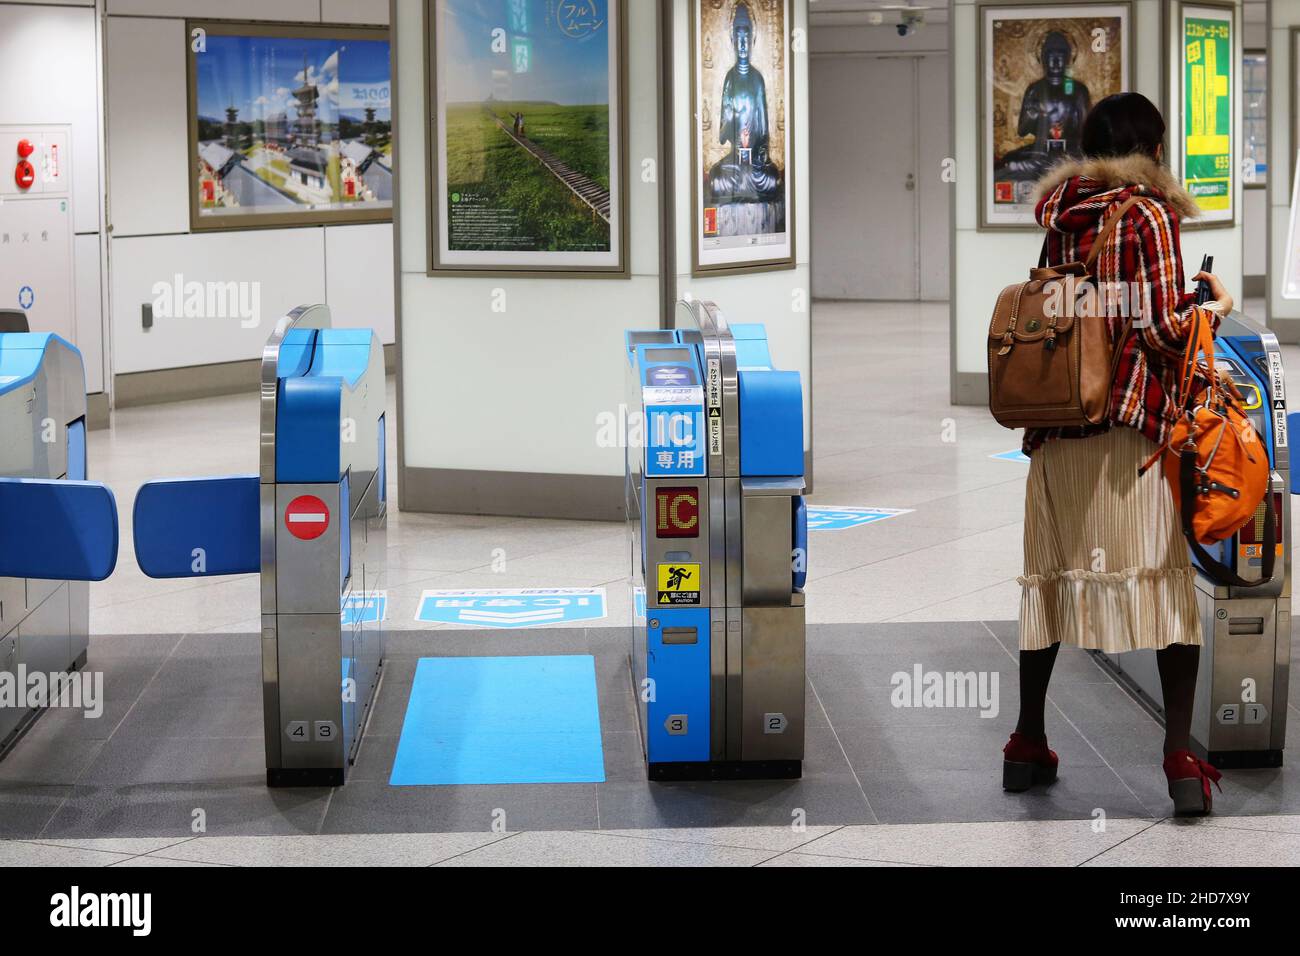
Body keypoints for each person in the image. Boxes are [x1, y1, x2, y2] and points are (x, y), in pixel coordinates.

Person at [1005, 92, 1231, 816]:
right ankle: (1179, 763)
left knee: (1047, 578)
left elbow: (1065, 311)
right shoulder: (1147, 213)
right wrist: (1214, 310)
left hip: (1058, 427)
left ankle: (1027, 742)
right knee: (1164, 588)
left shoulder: (1064, 216)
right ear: (1154, 151)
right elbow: (1164, 329)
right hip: (1128, 429)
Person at [706, 1, 784, 204]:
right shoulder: (730, 79)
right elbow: (723, 137)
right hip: (735, 160)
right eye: (738, 38)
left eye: (746, 38)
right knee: (716, 180)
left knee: (772, 180)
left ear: (752, 39)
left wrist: (758, 155)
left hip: (756, 162)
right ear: (732, 40)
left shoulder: (757, 79)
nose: (742, 44)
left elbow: (765, 130)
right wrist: (732, 117)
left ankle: (752, 178)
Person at [994, 31, 1092, 190]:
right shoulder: (1034, 89)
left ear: (1068, 60)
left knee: (1084, 165)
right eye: (1050, 58)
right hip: (1040, 153)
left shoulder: (1079, 90)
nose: (1055, 63)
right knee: (1008, 163)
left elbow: (1086, 131)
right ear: (1043, 60)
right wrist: (1033, 113)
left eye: (1059, 58)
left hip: (1071, 153)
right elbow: (1022, 130)